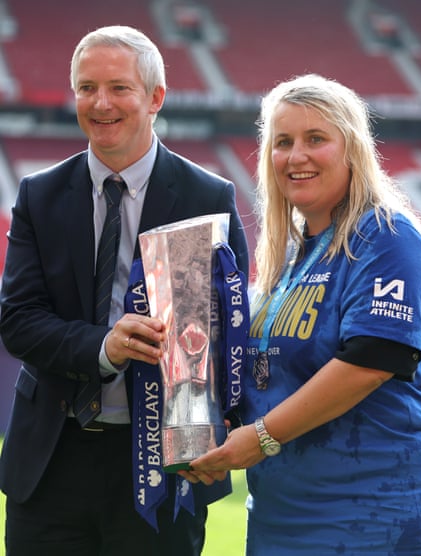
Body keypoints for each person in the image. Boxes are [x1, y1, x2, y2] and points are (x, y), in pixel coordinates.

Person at [0, 25, 248, 556]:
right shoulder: (39, 195)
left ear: (155, 97)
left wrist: (227, 415)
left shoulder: (209, 196)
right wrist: (103, 348)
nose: (100, 103)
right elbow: (18, 320)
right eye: (86, 88)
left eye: (118, 87)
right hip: (50, 462)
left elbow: (233, 328)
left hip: (166, 464)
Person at [182, 74, 421, 554]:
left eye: (316, 139)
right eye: (283, 142)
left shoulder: (386, 237)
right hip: (281, 518)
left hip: (376, 513)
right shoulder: (289, 258)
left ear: (352, 151)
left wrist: (258, 439)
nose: (295, 156)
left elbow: (371, 359)